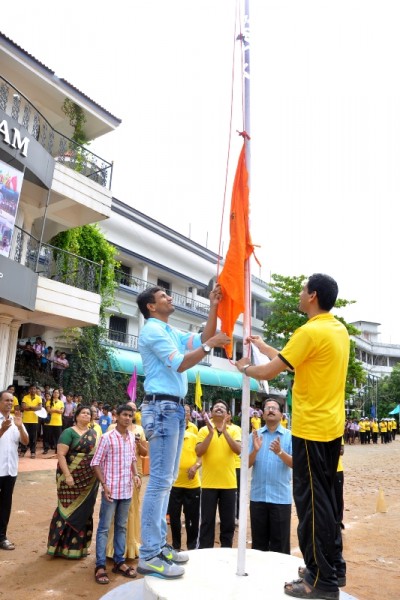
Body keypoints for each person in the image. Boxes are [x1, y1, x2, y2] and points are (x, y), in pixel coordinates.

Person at [235, 273, 350, 600]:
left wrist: (245, 367)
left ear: (312, 295)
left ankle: (321, 581)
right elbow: (293, 361)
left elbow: (271, 370)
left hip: (311, 430)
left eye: (303, 290)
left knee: (313, 507)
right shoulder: (336, 330)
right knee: (326, 500)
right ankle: (332, 568)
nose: (300, 294)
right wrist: (264, 347)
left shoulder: (309, 331)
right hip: (330, 429)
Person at [136, 283, 230, 579]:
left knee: (166, 481)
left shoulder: (168, 329)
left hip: (173, 408)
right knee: (161, 482)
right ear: (151, 306)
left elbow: (201, 337)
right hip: (162, 408)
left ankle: (158, 546)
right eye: (163, 295)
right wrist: (210, 344)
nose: (169, 297)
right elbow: (179, 364)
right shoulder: (152, 330)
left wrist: (213, 306)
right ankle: (149, 553)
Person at [91, 404, 141, 585]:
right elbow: (95, 463)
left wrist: (135, 474)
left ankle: (119, 562)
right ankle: (100, 565)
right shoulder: (107, 438)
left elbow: (133, 459)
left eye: (131, 415)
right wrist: (104, 484)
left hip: (127, 490)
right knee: (104, 527)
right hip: (110, 491)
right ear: (116, 416)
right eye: (125, 415)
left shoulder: (130, 438)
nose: (128, 418)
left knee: (121, 526)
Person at [47, 405, 99, 559]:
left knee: (85, 510)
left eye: (88, 413)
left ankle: (79, 547)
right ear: (76, 416)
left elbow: (96, 456)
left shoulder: (93, 433)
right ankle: (58, 546)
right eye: (83, 413)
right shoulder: (68, 432)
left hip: (88, 480)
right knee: (66, 509)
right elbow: (61, 455)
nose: (86, 415)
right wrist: (68, 475)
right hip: (69, 477)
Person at [248, 398, 293, 554]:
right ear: (263, 414)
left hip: (280, 498)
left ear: (281, 414)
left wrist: (280, 452)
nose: (271, 410)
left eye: (274, 408)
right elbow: (245, 464)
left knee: (280, 547)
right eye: (267, 408)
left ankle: (280, 577)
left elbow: (296, 464)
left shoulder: (289, 436)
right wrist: (255, 450)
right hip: (258, 497)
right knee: (258, 547)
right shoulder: (254, 436)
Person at [106, 401, 148, 560]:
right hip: (116, 472)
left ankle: (131, 545)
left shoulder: (140, 430)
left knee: (132, 508)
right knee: (114, 509)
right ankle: (112, 548)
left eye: (133, 411)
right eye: (127, 411)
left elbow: (144, 453)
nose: (130, 415)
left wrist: (138, 443)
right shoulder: (111, 429)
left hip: (135, 472)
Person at [196, 400, 241, 549]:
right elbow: (199, 452)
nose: (219, 408)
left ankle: (226, 551)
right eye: (216, 407)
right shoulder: (203, 430)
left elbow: (238, 450)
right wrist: (210, 433)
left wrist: (225, 431)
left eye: (223, 407)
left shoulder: (235, 430)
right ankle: (205, 552)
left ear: (228, 414)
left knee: (228, 523)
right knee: (207, 522)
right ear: (211, 413)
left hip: (229, 484)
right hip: (209, 484)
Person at [167, 404, 201, 551]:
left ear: (188, 416)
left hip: (192, 485)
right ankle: (176, 546)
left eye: (186, 412)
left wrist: (195, 466)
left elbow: (202, 456)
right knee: (174, 518)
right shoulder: (169, 435)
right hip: (174, 485)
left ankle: (192, 547)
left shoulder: (194, 436)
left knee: (192, 518)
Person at [0, 391, 29, 550]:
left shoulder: (15, 420)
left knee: (5, 504)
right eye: (6, 400)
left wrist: (20, 427)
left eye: (11, 401)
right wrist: (2, 430)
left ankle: (2, 537)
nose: (9, 403)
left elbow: (25, 441)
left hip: (10, 470)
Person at [20, 384, 42, 458]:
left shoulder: (39, 398)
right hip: (25, 420)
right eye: (31, 389)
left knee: (33, 437)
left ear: (36, 390)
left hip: (34, 420)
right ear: (29, 390)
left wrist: (29, 407)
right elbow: (23, 407)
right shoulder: (25, 397)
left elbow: (39, 408)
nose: (33, 390)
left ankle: (33, 452)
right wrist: (34, 407)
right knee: (24, 435)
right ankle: (23, 451)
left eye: (34, 389)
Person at [43, 388, 64, 454]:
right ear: (53, 393)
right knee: (47, 436)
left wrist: (54, 410)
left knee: (58, 437)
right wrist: (57, 410)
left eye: (57, 393)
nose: (56, 394)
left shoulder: (61, 402)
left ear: (59, 394)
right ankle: (46, 448)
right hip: (49, 422)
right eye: (55, 392)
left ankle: (57, 449)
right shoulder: (49, 401)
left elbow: (62, 411)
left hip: (58, 422)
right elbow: (48, 410)